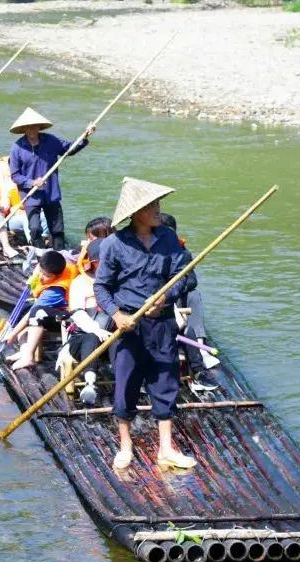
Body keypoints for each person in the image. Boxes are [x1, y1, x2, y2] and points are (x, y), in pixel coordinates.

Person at [94, 177, 198, 471]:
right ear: (137, 211)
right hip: (130, 325)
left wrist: (166, 296)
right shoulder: (114, 244)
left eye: (157, 204)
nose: (158, 210)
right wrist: (117, 315)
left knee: (165, 381)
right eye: (152, 205)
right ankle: (125, 446)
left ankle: (166, 448)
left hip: (162, 325)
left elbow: (188, 276)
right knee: (126, 383)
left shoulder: (168, 239)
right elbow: (102, 287)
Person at [8, 107, 94, 251]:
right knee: (35, 229)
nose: (31, 129)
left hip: (51, 193)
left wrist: (85, 136)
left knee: (57, 229)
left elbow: (69, 149)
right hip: (31, 196)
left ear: (39, 127)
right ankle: (40, 253)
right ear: (24, 129)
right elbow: (15, 176)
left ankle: (59, 254)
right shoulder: (17, 148)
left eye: (34, 126)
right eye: (28, 127)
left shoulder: (50, 140)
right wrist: (31, 182)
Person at [159, 212, 218, 392]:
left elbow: (192, 280)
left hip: (176, 294)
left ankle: (199, 343)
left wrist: (179, 283)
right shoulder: (148, 252)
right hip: (156, 296)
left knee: (193, 294)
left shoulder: (182, 253)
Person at [58, 237, 113, 403]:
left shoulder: (121, 281)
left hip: (112, 336)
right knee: (91, 337)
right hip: (83, 338)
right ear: (95, 262)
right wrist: (97, 330)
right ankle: (90, 383)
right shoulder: (80, 283)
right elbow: (77, 314)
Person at [4, 250, 78, 370]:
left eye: (47, 276)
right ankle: (24, 350)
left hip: (67, 316)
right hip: (51, 309)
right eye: (41, 272)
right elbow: (41, 265)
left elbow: (30, 315)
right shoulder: (45, 268)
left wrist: (12, 335)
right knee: (21, 311)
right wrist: (35, 276)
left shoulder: (54, 291)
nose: (42, 277)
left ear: (57, 275)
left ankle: (28, 357)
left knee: (36, 313)